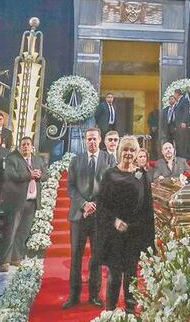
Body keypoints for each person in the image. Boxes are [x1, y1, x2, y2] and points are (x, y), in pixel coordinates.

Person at [95, 136, 155, 312]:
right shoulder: (109, 174)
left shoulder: (141, 175)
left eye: (132, 150)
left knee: (131, 274)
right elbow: (102, 204)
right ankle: (110, 311)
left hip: (134, 232)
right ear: (120, 151)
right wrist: (114, 221)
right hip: (114, 232)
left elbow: (147, 206)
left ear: (137, 153)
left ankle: (130, 311)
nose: (128, 153)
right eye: (125, 149)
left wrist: (148, 238)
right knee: (114, 274)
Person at [64, 128, 113, 309]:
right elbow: (70, 187)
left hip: (99, 216)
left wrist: (95, 205)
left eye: (94, 139)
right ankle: (73, 296)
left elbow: (110, 185)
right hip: (78, 215)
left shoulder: (109, 160)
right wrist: (84, 204)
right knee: (76, 256)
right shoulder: (76, 160)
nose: (92, 142)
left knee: (97, 257)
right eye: (89, 139)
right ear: (85, 141)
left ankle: (94, 295)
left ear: (100, 140)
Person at [0, 137, 47, 270]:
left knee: (23, 232)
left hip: (32, 201)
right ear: (19, 147)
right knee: (11, 231)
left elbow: (45, 175)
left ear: (32, 147)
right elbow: (9, 175)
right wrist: (29, 175)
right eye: (23, 144)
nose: (26, 147)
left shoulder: (37, 160)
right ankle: (4, 261)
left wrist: (39, 175)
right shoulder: (12, 158)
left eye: (28, 144)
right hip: (16, 201)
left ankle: (16, 257)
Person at [163, 90, 190, 157]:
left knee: (182, 141)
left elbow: (186, 111)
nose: (174, 95)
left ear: (177, 94)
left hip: (182, 124)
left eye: (174, 94)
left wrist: (184, 121)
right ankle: (178, 155)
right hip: (177, 125)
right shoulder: (178, 101)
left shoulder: (184, 100)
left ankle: (183, 156)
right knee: (178, 141)